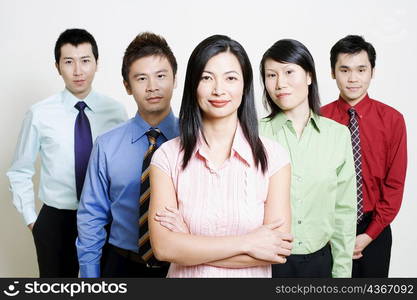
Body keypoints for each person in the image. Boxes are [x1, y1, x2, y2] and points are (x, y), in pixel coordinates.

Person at [149, 35, 292, 278]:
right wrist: (249, 242)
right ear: (193, 85)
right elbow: (164, 248)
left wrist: (189, 243)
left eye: (231, 78)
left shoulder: (274, 159)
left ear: (245, 85)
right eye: (206, 78)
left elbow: (277, 250)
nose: (218, 90)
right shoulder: (166, 157)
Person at [6, 28, 127, 277]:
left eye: (85, 61)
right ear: (57, 66)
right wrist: (34, 221)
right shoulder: (39, 113)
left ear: (97, 63)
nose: (78, 71)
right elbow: (19, 170)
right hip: (57, 220)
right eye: (68, 62)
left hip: (103, 218)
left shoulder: (115, 111)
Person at [76, 32, 179, 278]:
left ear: (175, 79)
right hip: (122, 265)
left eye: (161, 76)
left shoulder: (197, 140)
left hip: (182, 266)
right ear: (127, 86)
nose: (153, 86)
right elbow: (91, 215)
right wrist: (90, 277)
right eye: (141, 78)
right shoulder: (107, 145)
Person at [259, 39, 357, 278]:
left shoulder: (337, 135)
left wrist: (342, 272)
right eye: (271, 75)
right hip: (266, 263)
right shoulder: (254, 134)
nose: (280, 83)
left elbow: (344, 210)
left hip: (320, 263)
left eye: (289, 72)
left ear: (309, 76)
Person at [321, 35, 407, 277]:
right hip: (328, 228)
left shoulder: (392, 120)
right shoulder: (318, 119)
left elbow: (395, 184)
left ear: (372, 72)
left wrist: (369, 235)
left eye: (361, 69)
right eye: (344, 70)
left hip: (375, 228)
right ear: (332, 72)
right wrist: (329, 234)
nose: (353, 78)